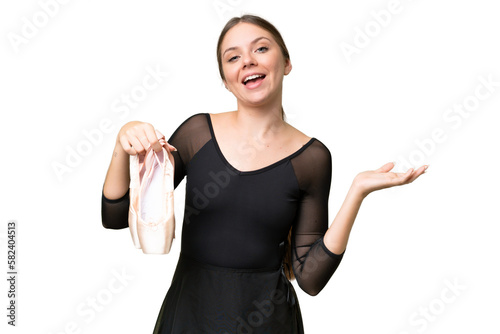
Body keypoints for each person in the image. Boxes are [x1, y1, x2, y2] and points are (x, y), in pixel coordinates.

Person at [101, 14, 427, 334]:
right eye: (233, 57)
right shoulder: (196, 134)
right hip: (190, 317)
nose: (247, 61)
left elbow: (310, 279)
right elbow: (116, 216)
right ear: (226, 80)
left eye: (260, 49)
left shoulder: (312, 158)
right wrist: (122, 141)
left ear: (285, 62)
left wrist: (357, 191)